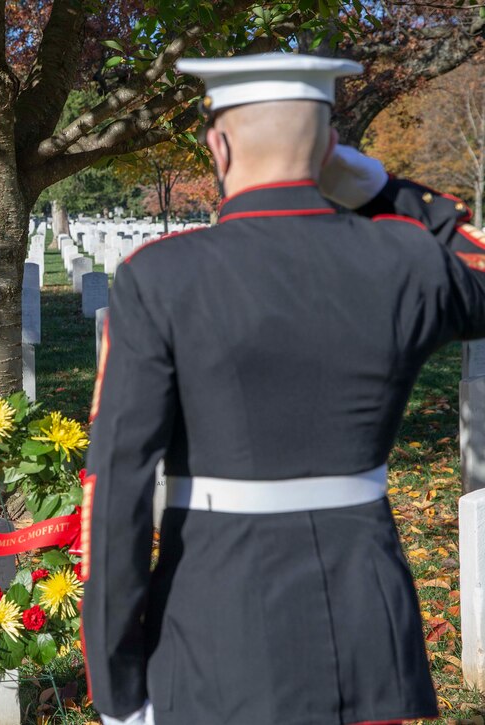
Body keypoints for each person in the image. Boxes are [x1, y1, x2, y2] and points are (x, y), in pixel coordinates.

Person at [81, 53, 485, 725]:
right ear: (331, 148)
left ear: (219, 144)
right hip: (368, 635)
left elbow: (119, 481)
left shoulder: (162, 276)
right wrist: (385, 188)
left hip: (217, 633)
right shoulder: (405, 260)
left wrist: (116, 684)